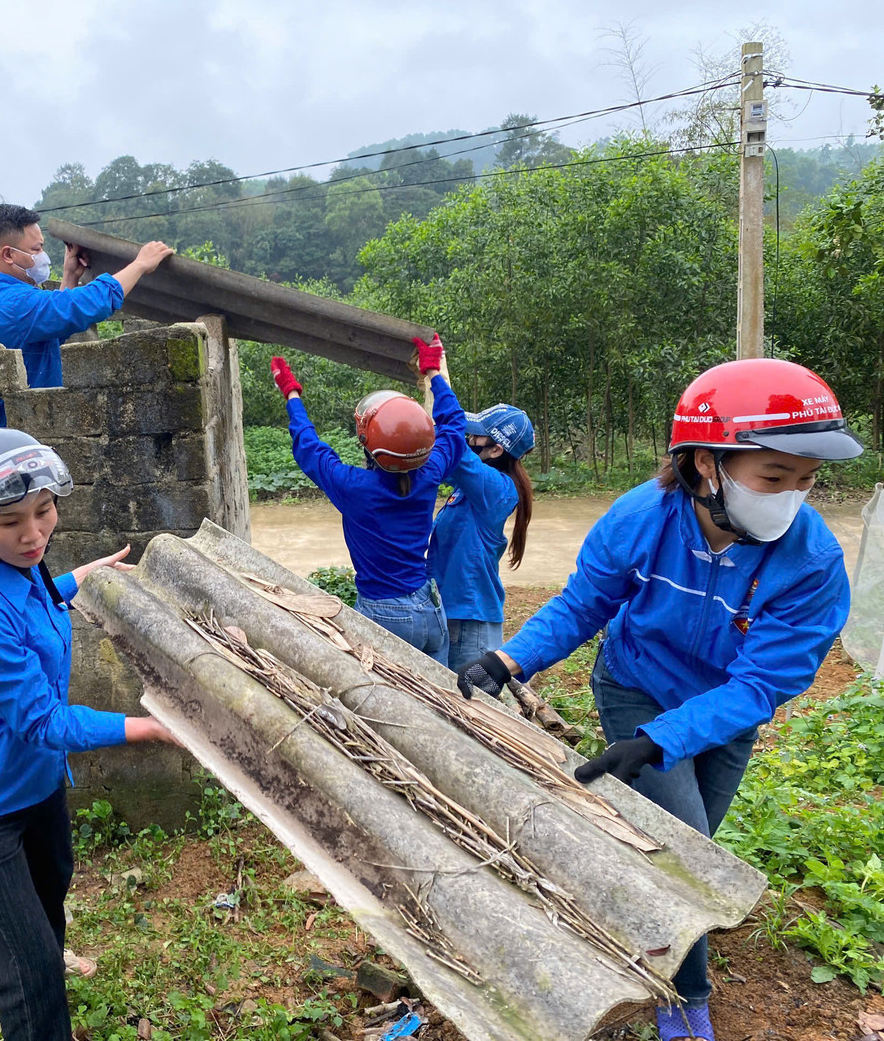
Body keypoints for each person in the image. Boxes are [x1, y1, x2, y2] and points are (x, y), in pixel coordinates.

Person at [453, 358, 861, 1041]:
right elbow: (585, 603)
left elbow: (762, 682)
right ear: (707, 462)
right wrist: (509, 658)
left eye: (806, 479)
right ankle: (683, 997)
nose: (792, 497)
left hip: (725, 708)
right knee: (681, 849)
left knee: (692, 842)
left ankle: (645, 930)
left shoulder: (811, 561)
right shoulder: (640, 518)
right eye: (774, 477)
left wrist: (664, 740)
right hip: (636, 684)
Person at [0, 427, 178, 1041]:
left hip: (36, 788)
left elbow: (37, 598)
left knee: (49, 900)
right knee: (31, 968)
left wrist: (80, 577)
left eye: (43, 511)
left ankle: (42, 971)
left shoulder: (22, 572)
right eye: (10, 521)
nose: (33, 533)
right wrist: (147, 727)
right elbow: (43, 722)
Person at [270, 337, 465, 665]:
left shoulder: (354, 488)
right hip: (429, 608)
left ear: (367, 443)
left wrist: (292, 394)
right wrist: (433, 372)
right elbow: (455, 426)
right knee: (437, 695)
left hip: (383, 614)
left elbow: (309, 446)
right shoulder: (430, 472)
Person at [0, 204, 174, 425]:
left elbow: (49, 328)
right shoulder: (13, 304)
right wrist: (140, 265)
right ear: (8, 254)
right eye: (36, 249)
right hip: (22, 436)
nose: (43, 256)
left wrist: (70, 276)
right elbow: (84, 304)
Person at [429, 403, 536, 672]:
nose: (469, 439)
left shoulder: (497, 489)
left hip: (470, 626)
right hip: (455, 616)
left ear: (496, 450)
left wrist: (435, 415)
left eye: (476, 436)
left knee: (465, 698)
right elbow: (440, 458)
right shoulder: (469, 487)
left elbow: (457, 450)